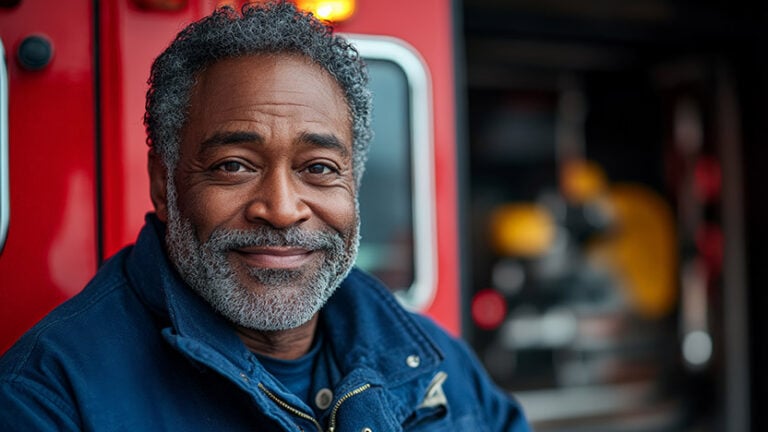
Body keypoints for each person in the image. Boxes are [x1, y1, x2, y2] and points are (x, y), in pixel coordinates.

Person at [0, 2, 530, 430]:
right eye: (234, 165)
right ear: (164, 184)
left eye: (319, 168)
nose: (281, 209)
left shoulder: (435, 363)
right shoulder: (49, 399)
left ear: (354, 184)